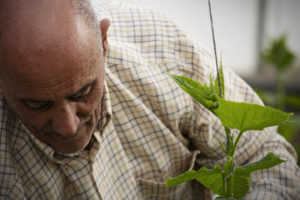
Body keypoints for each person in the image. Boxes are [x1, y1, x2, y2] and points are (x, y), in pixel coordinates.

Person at [0, 0, 299, 199]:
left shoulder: (163, 52)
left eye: (82, 93)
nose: (67, 126)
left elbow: (262, 153)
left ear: (103, 42)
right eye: (37, 104)